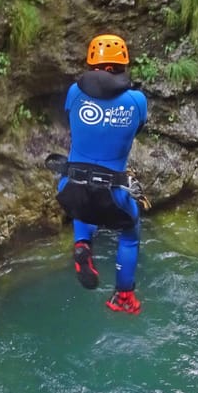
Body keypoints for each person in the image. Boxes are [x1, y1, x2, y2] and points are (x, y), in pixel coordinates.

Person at [55, 34, 148, 314]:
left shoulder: (75, 92)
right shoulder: (136, 101)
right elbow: (138, 127)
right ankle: (123, 296)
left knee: (82, 206)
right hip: (113, 190)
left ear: (92, 64)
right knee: (129, 233)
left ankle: (83, 245)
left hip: (70, 182)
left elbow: (71, 114)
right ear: (122, 65)